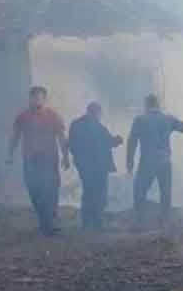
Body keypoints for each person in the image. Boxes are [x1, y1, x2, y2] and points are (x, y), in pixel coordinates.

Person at [7, 86, 70, 235]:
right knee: (34, 191)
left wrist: (66, 156)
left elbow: (61, 137)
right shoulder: (22, 116)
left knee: (50, 191)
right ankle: (45, 221)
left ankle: (48, 223)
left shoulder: (53, 116)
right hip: (30, 159)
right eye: (34, 97)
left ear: (45, 99)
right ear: (29, 99)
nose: (36, 100)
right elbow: (15, 136)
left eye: (39, 97)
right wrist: (9, 155)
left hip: (49, 160)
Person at [126, 93, 183, 229]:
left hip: (148, 161)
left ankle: (140, 222)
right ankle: (164, 222)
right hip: (165, 161)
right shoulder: (167, 119)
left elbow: (132, 142)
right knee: (165, 193)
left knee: (139, 191)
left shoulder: (140, 119)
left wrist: (130, 162)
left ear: (146, 105)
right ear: (157, 104)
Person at [68, 101, 123, 230]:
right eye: (98, 114)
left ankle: (92, 221)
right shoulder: (90, 126)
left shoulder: (85, 125)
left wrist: (116, 140)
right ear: (94, 113)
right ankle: (93, 221)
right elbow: (74, 145)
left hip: (95, 166)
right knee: (94, 193)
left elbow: (106, 142)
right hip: (93, 166)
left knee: (93, 192)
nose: (99, 116)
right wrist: (116, 141)